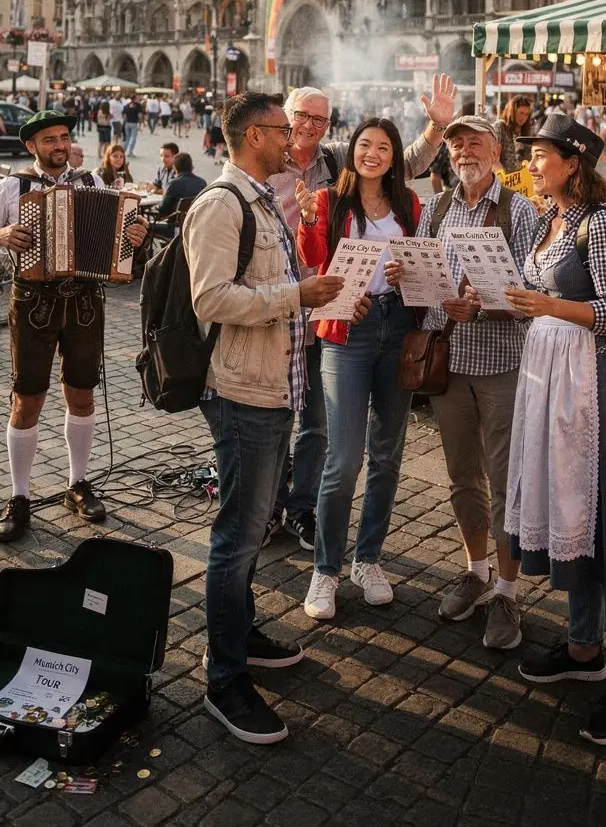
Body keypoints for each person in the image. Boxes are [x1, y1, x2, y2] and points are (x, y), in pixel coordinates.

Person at [183, 91, 356, 746]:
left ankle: (242, 632)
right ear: (255, 135)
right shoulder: (222, 205)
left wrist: (316, 293)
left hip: (272, 390)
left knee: (252, 531)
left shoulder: (263, 201)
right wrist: (297, 294)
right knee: (235, 538)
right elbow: (211, 297)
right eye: (285, 129)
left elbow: (272, 293)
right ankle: (224, 679)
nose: (296, 138)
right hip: (241, 396)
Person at [502, 113, 606, 747]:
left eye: (541, 155)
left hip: (594, 392)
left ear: (574, 163)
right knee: (573, 514)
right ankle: (580, 648)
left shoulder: (603, 226)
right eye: (532, 155)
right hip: (550, 385)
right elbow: (538, 300)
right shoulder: (550, 222)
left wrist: (546, 305)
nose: (533, 164)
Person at [266, 77, 457, 552]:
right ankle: (272, 514)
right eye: (301, 116)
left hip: (377, 321)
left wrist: (436, 128)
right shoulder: (271, 160)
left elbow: (407, 164)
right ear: (284, 118)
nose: (308, 125)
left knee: (340, 434)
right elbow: (310, 248)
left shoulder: (399, 197)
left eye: (319, 119)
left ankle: (323, 526)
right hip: (286, 305)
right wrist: (310, 219)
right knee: (288, 423)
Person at [0, 110, 148, 543]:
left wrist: (135, 235)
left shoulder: (92, 183)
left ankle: (77, 484)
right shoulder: (13, 186)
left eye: (64, 137)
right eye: (50, 139)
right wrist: (0, 236)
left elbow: (120, 238)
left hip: (84, 301)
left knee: (81, 394)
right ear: (32, 146)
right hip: (33, 302)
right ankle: (19, 495)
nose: (59, 145)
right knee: (27, 398)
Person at [413, 116, 538, 650]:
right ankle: (477, 570)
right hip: (449, 360)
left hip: (503, 361)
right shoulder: (438, 206)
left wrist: (482, 307)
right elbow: (424, 275)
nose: (464, 151)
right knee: (463, 476)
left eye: (474, 142)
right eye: (457, 143)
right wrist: (407, 277)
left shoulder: (520, 209)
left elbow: (534, 289)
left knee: (507, 479)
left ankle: (508, 592)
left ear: (496, 151)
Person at [296, 118, 422, 620]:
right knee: (343, 459)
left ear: (394, 157)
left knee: (387, 455)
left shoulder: (409, 204)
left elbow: (421, 265)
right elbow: (314, 262)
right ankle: (325, 571)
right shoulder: (329, 201)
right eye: (365, 145)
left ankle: (368, 559)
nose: (373, 153)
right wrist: (307, 221)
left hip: (397, 325)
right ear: (353, 151)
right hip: (347, 331)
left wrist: (404, 271)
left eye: (383, 147)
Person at [151, 151, 206, 240]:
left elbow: (163, 209)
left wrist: (154, 207)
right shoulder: (202, 183)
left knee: (144, 226)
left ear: (175, 167)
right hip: (195, 226)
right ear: (191, 166)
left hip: (175, 227)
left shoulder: (174, 183)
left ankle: (142, 253)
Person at [497, 96, 533, 171]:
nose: (523, 117)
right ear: (512, 112)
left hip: (521, 177)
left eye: (527, 114)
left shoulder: (525, 131)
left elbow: (529, 158)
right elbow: (494, 159)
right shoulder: (500, 127)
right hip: (504, 177)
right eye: (521, 113)